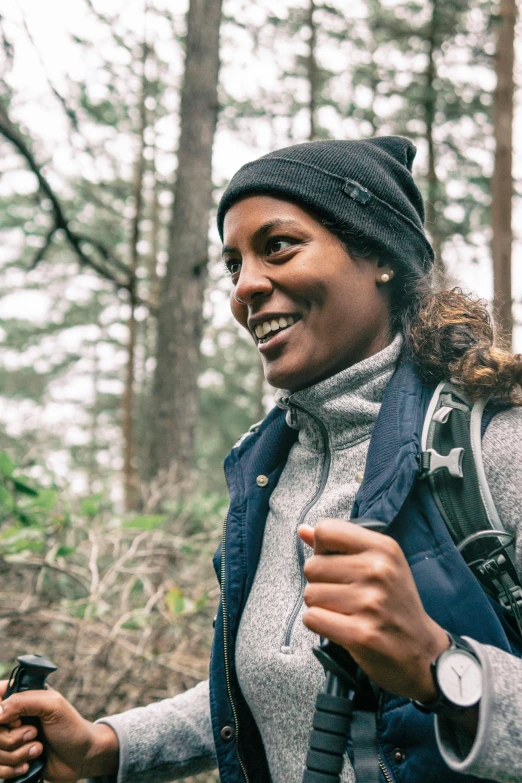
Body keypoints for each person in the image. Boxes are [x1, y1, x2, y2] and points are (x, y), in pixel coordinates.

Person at [1, 136, 522, 783]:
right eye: (233, 264)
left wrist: (438, 665)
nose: (245, 287)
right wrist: (108, 745)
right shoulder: (267, 472)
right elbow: (273, 686)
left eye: (278, 246)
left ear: (379, 254)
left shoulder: (494, 448)